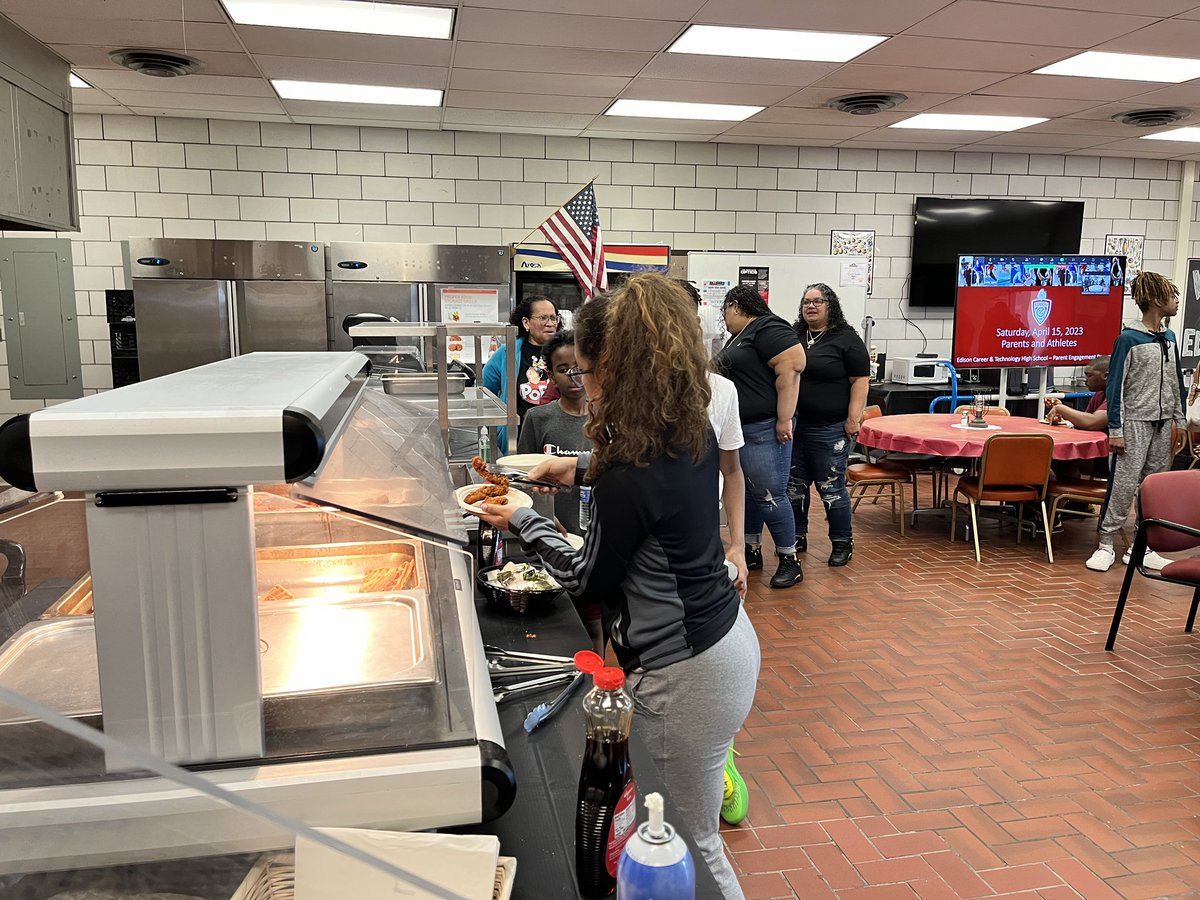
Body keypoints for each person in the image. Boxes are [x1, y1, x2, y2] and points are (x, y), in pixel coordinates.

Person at [472, 274, 760, 899]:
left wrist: (522, 517)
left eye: (588, 370)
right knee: (684, 833)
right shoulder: (687, 426)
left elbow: (585, 578)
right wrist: (567, 467)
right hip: (724, 643)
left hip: (684, 671)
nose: (586, 385)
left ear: (617, 370)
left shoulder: (629, 468)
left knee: (686, 842)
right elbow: (641, 483)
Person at [1086, 272, 1187, 573]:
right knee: (1123, 485)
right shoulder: (1128, 340)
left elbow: (1175, 383)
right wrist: (1116, 430)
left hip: (1162, 425)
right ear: (1156, 300)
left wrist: (1180, 421)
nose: (1177, 301)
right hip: (1133, 425)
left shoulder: (1169, 339)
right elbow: (1115, 385)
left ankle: (1142, 547)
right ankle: (1105, 545)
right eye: (1172, 296)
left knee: (1153, 488)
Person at [716, 284, 807, 589]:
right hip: (744, 428)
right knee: (750, 493)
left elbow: (793, 365)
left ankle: (789, 559)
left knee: (771, 495)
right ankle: (751, 549)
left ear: (736, 305)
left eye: (725, 311)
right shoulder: (742, 335)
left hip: (765, 427)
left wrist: (784, 418)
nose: (724, 317)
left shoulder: (768, 327)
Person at [787, 283, 871, 567]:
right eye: (806, 302)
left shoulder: (846, 339)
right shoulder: (795, 336)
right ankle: (797, 536)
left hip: (831, 428)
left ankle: (842, 541)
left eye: (817, 301)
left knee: (831, 487)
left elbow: (860, 380)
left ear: (830, 305)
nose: (810, 306)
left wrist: (853, 418)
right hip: (796, 427)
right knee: (795, 487)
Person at [482, 296, 560, 449]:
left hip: (557, 436)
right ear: (526, 322)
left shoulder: (566, 352)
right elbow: (485, 393)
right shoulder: (507, 352)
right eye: (543, 318)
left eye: (553, 318)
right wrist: (498, 430)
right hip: (518, 439)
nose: (550, 323)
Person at [1045, 355, 1110, 481]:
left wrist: (1062, 409)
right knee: (1057, 462)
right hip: (1094, 452)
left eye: (1089, 376)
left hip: (1106, 455)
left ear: (1106, 376)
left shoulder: (1116, 395)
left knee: (1060, 461)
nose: (1085, 380)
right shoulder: (1099, 394)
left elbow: (1093, 423)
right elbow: (1084, 422)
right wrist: (1063, 412)